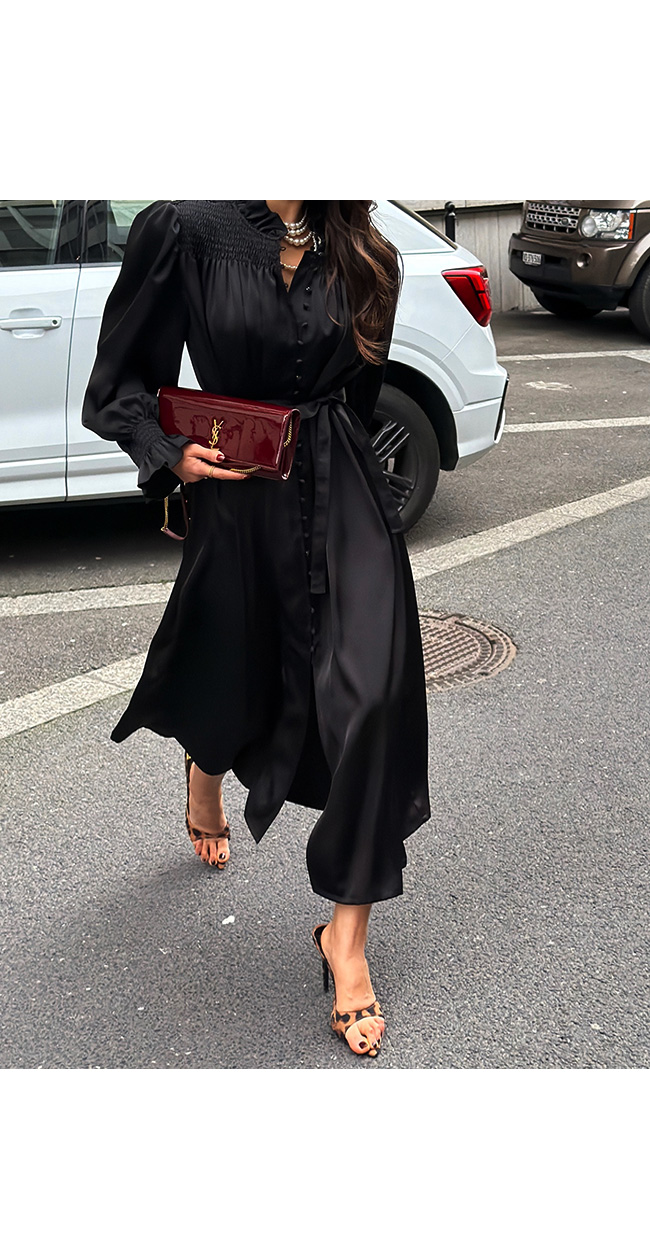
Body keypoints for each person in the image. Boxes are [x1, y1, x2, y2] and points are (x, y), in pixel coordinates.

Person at [81, 199, 431, 1059]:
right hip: (240, 490)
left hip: (346, 490)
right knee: (233, 664)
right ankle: (205, 767)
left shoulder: (369, 250)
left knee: (375, 696)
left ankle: (346, 939)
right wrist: (168, 452)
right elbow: (119, 382)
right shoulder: (186, 229)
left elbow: (359, 394)